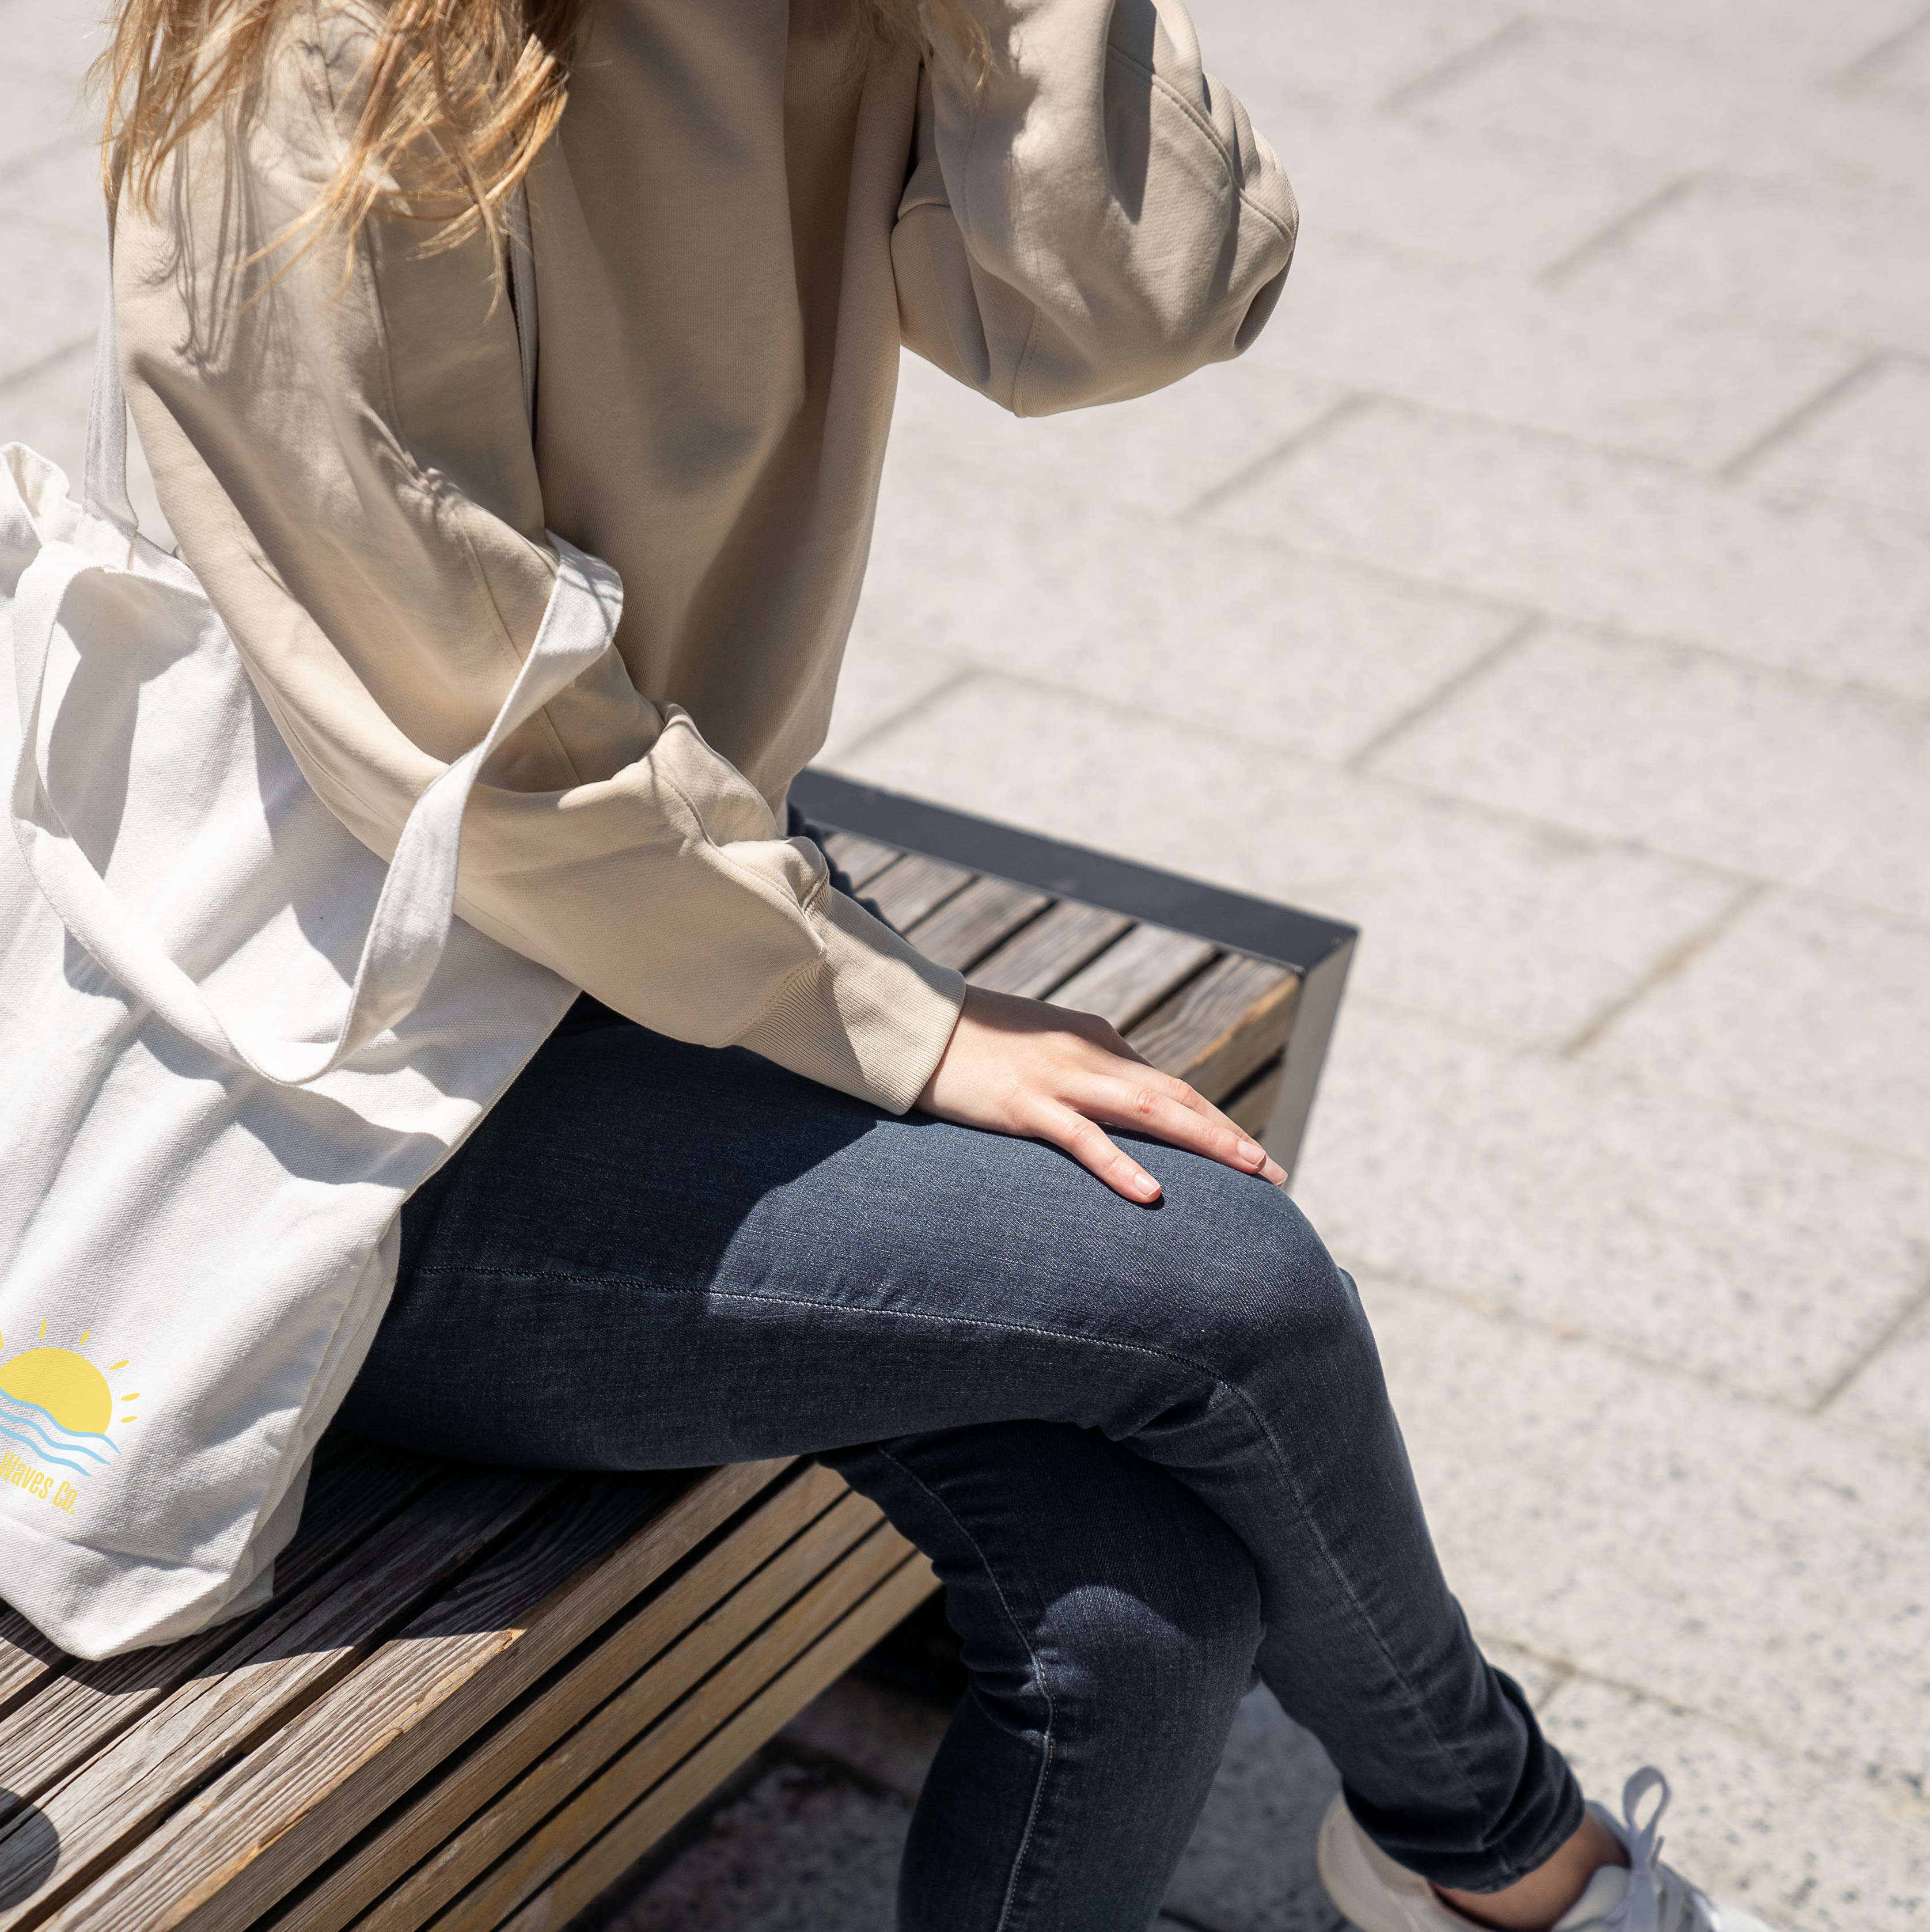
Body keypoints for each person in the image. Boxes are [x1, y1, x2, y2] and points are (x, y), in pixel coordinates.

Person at [96, 2, 1764, 1926]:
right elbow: (466, 728)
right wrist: (895, 1014)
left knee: (1147, 1610)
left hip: (635, 964)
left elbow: (1149, 298)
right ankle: (1509, 1861)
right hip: (332, 1099)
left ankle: (1478, 1860)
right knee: (1227, 1276)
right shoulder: (334, 52)